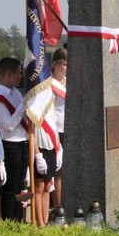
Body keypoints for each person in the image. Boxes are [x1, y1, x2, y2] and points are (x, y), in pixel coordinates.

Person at [0, 58, 29, 222]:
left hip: (22, 142)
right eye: (18, 73)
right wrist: (23, 107)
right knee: (10, 189)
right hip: (10, 146)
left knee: (20, 187)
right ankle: (10, 223)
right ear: (8, 75)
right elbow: (8, 125)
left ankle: (19, 221)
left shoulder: (15, 92)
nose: (21, 76)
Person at [51, 48, 67, 214]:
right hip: (57, 130)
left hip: (71, 128)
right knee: (59, 171)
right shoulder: (50, 84)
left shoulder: (69, 81)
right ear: (55, 64)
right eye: (64, 64)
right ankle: (58, 206)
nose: (67, 67)